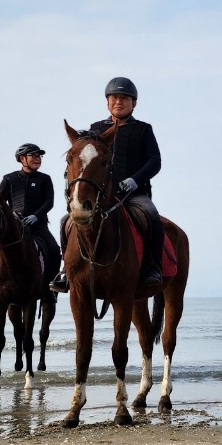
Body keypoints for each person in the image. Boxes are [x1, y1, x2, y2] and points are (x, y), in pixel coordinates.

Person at [50, 76, 163, 294]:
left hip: (135, 193)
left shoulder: (143, 129)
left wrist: (134, 180)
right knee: (66, 220)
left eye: (124, 98)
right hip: (102, 193)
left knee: (152, 215)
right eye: (114, 98)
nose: (119, 102)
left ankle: (152, 268)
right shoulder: (96, 128)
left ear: (134, 103)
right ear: (107, 102)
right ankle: (66, 270)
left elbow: (154, 161)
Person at [0, 144, 60, 302]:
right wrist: (13, 215)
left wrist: (36, 216)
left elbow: (49, 202)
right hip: (15, 226)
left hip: (38, 226)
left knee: (55, 250)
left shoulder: (45, 179)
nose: (38, 159)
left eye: (39, 156)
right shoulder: (9, 179)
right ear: (23, 159)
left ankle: (48, 286)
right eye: (34, 156)